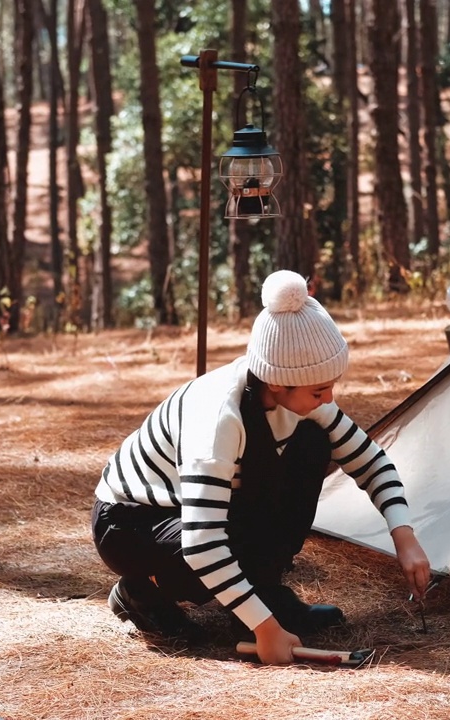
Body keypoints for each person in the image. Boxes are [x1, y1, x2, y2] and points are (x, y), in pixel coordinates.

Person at [90, 270, 431, 665]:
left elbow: (370, 461)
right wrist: (266, 631)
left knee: (313, 444)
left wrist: (404, 537)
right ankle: (142, 592)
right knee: (207, 546)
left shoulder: (303, 398)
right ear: (279, 382)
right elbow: (202, 543)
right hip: (131, 524)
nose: (329, 399)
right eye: (319, 390)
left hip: (195, 516)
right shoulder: (219, 418)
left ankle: (262, 596)